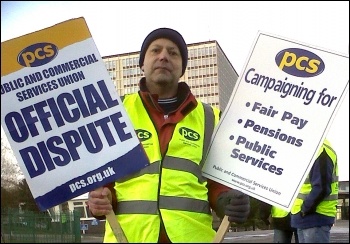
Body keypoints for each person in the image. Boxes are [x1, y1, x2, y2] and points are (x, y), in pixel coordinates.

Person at [87, 27, 250, 243]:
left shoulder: (211, 118)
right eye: (155, 50)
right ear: (141, 64)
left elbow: (218, 183)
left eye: (173, 53)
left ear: (182, 68)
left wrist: (227, 201)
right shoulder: (117, 112)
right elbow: (102, 180)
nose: (163, 56)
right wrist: (98, 202)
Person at [291, 138, 338, 243]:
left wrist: (305, 209)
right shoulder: (311, 148)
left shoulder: (321, 150)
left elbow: (321, 188)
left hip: (314, 216)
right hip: (305, 217)